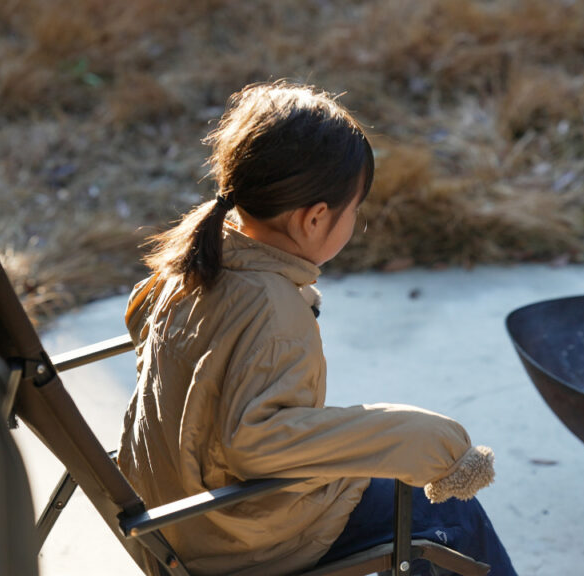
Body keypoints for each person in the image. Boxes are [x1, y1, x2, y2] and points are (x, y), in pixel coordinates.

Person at [116, 81, 517, 576]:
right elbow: (258, 444)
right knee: (450, 517)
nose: (355, 222)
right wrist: (421, 438)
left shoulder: (198, 258)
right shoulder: (271, 308)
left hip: (173, 512)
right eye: (354, 211)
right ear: (315, 218)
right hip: (237, 535)